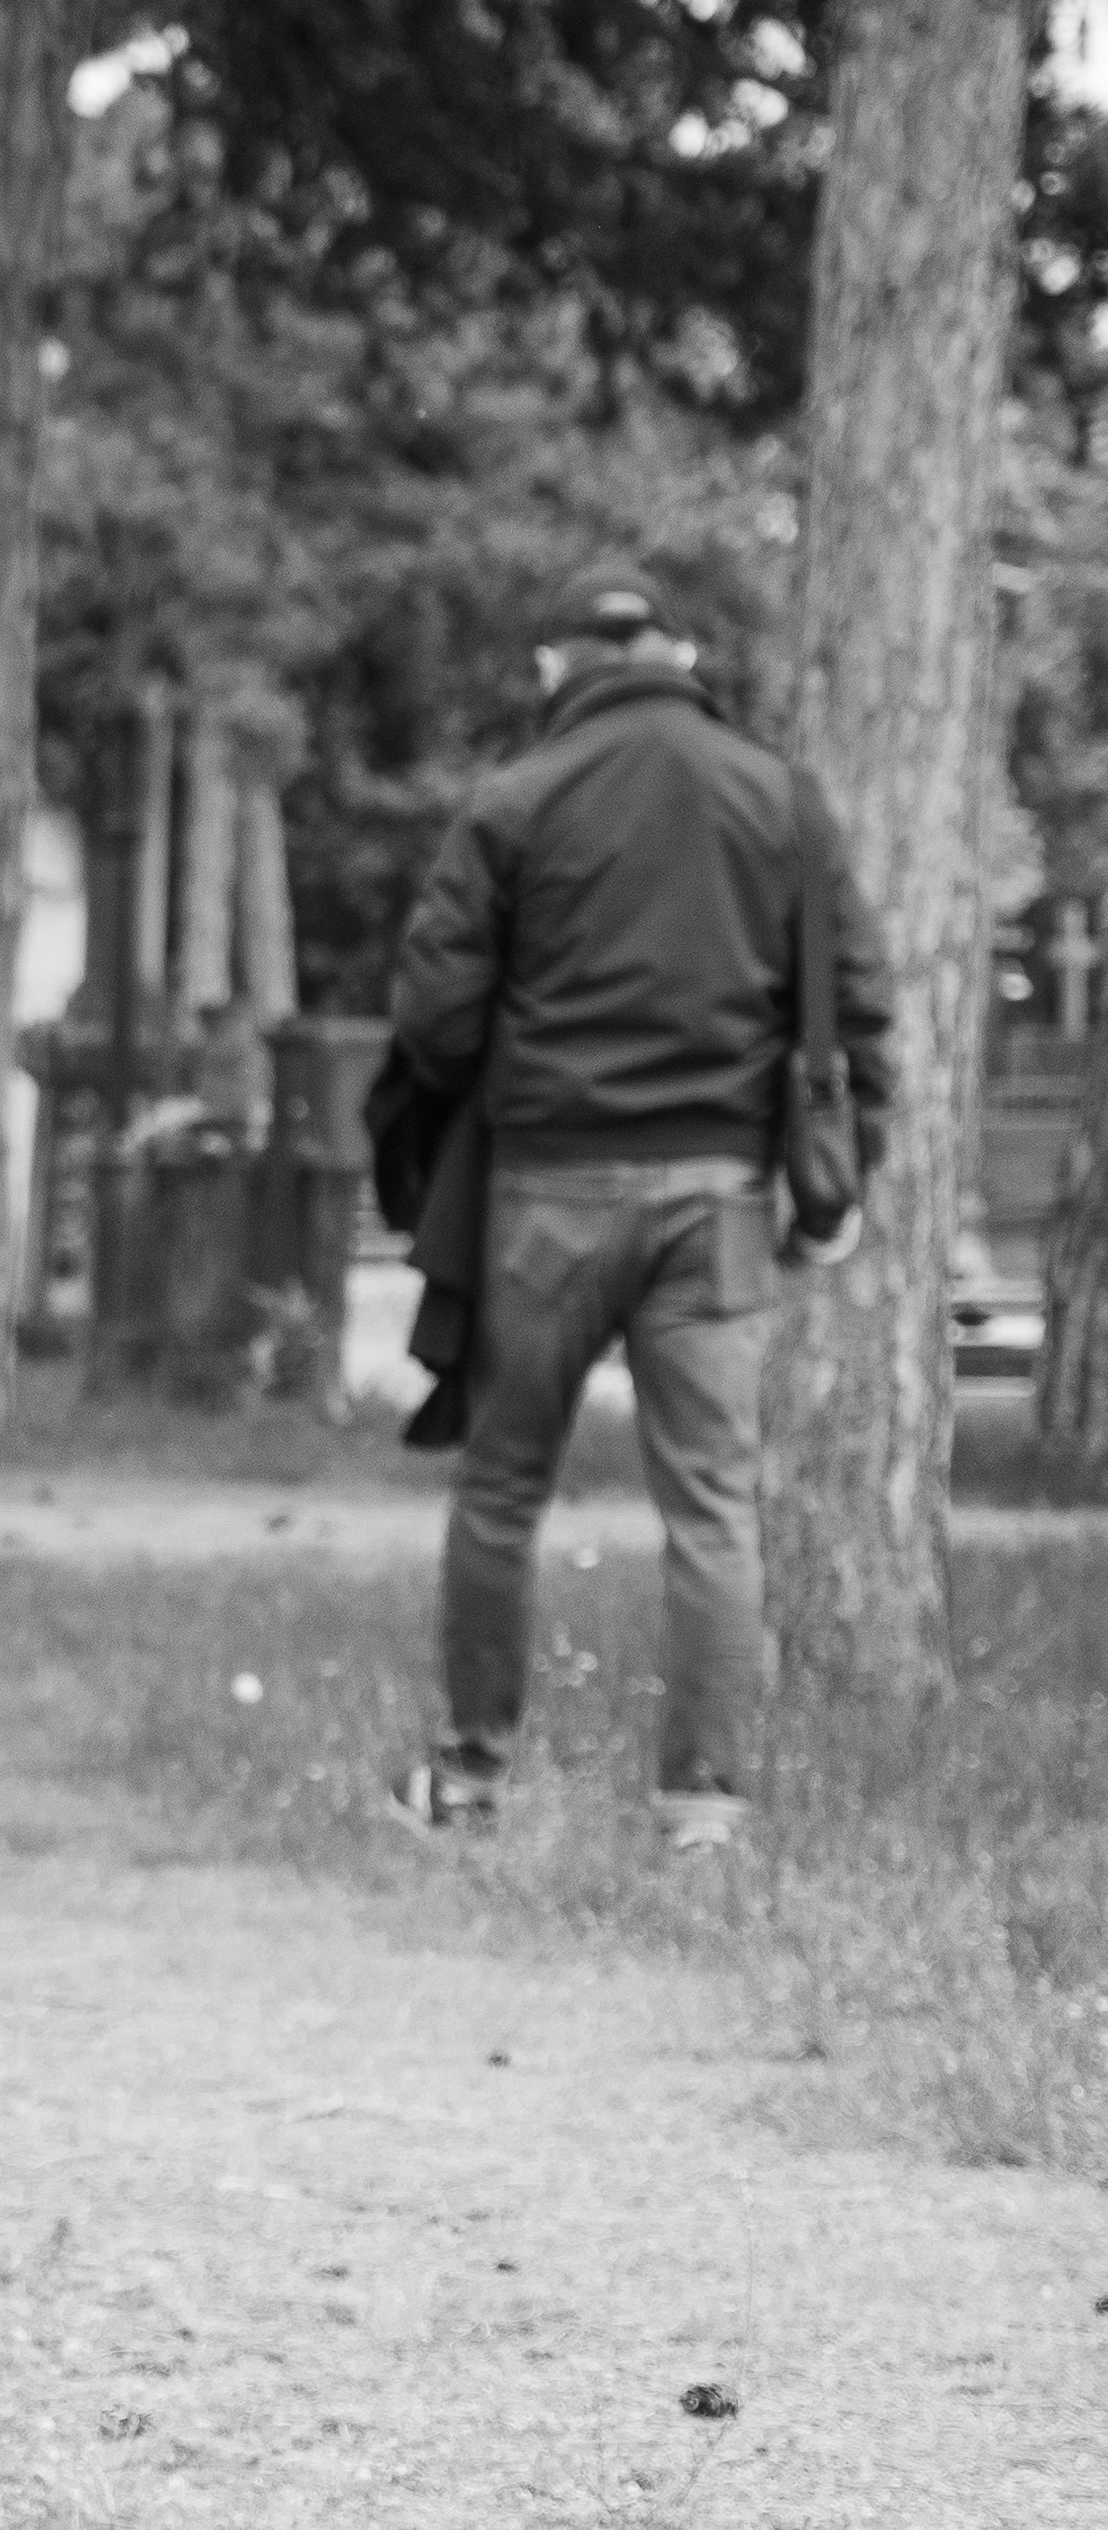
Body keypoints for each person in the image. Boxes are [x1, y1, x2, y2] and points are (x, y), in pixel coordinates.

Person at [384, 552, 894, 1849]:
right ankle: (701, 1812)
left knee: (502, 1491)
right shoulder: (780, 797)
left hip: (546, 1193)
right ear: (680, 660)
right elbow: (858, 1004)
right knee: (713, 1508)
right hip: (718, 1196)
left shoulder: (514, 799)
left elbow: (436, 1023)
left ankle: (472, 1781)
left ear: (558, 667)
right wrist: (839, 1178)